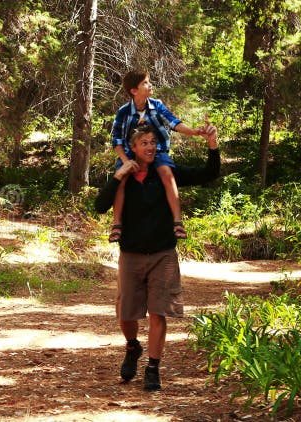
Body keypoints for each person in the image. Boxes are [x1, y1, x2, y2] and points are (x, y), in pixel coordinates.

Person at [95, 122, 220, 391]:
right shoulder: (123, 175)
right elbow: (99, 206)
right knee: (126, 314)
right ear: (132, 148)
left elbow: (208, 174)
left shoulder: (167, 172)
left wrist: (212, 146)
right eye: (144, 143)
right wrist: (118, 176)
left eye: (153, 142)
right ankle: (132, 346)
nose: (150, 147)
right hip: (130, 255)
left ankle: (153, 368)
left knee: (158, 312)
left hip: (163, 254)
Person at [109, 70, 205, 243]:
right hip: (130, 153)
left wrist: (195, 132)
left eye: (149, 82)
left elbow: (174, 123)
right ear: (134, 90)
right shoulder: (123, 112)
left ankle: (177, 221)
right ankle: (116, 224)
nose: (150, 85)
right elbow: (116, 141)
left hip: (157, 150)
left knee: (166, 173)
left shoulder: (157, 105)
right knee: (121, 178)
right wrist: (125, 162)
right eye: (145, 83)